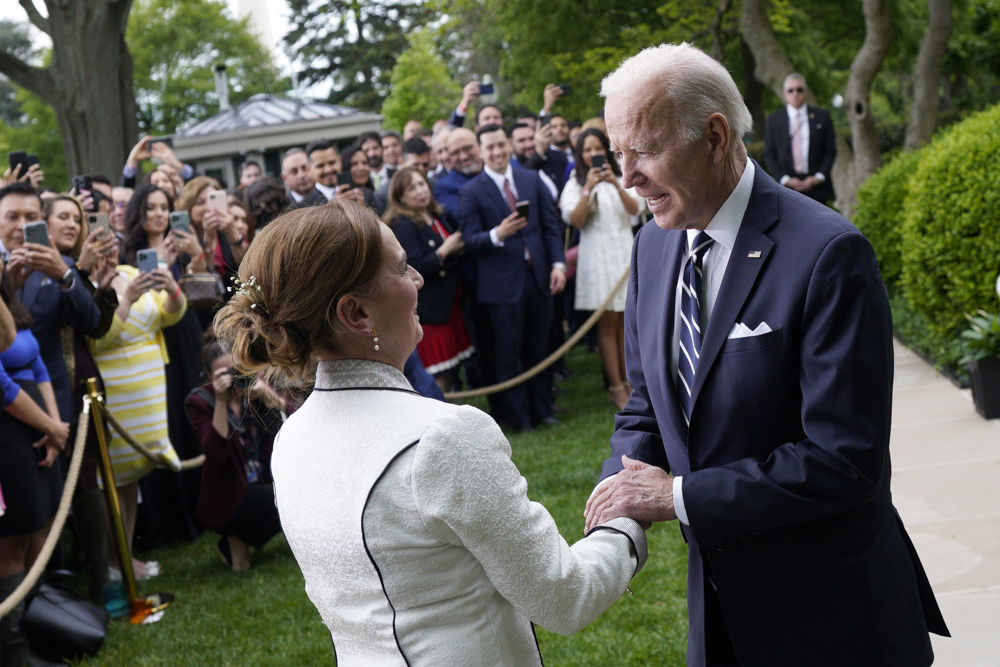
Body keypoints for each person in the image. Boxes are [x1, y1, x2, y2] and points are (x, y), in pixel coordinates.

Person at [583, 43, 948, 666]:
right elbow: (648, 405)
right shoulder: (653, 245)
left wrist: (676, 497)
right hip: (720, 615)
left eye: (644, 149)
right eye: (618, 153)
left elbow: (844, 461)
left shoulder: (828, 253)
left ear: (716, 136)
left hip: (834, 618)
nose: (628, 176)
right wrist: (616, 500)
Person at [213, 200, 646, 664]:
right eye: (401, 268)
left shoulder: (292, 438)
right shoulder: (441, 437)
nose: (419, 278)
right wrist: (629, 517)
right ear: (356, 313)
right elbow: (565, 597)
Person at [91, 220, 188, 579]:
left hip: (148, 389)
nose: (109, 251)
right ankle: (113, 562)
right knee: (109, 483)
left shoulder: (133, 270)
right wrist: (127, 298)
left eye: (112, 243)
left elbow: (168, 316)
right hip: (113, 391)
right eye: (99, 245)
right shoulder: (86, 284)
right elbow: (97, 339)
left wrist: (173, 289)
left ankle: (126, 553)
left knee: (130, 480)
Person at [457, 124, 566, 432]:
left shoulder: (530, 179)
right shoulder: (471, 191)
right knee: (507, 357)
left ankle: (543, 410)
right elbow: (468, 241)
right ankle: (519, 420)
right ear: (480, 151)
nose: (497, 152)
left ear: (509, 145)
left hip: (539, 278)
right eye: (489, 147)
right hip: (501, 289)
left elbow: (550, 227)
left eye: (501, 145)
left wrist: (558, 264)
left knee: (539, 350)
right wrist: (497, 234)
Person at [43, 194, 120, 601]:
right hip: (46, 392)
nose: (72, 224)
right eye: (63, 217)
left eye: (77, 218)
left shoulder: (74, 268)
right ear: (43, 223)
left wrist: (102, 287)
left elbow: (93, 325)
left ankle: (100, 579)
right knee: (57, 488)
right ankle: (59, 586)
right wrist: (80, 269)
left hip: (85, 387)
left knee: (90, 482)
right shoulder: (34, 271)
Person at [0, 268, 69, 667]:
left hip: (42, 428)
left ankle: (35, 632)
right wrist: (48, 426)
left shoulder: (10, 302)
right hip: (9, 433)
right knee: (15, 538)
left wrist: (56, 426)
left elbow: (40, 366)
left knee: (41, 531)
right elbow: (3, 386)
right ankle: (13, 649)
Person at [559, 129, 643, 410]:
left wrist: (615, 184)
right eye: (587, 149)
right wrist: (589, 189)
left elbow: (635, 210)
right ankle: (615, 386)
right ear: (580, 155)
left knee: (625, 321)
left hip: (623, 251)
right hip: (597, 256)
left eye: (598, 148)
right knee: (607, 324)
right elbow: (575, 219)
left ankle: (630, 382)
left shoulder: (621, 174)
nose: (593, 154)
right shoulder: (575, 183)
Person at [185, 336, 284, 571]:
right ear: (208, 377)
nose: (231, 378)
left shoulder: (252, 385)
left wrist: (266, 395)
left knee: (291, 497)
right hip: (230, 493)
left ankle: (238, 539)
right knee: (288, 497)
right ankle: (234, 534)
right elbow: (215, 451)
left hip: (261, 480)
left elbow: (290, 413)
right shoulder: (199, 402)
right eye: (221, 374)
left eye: (234, 370)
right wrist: (221, 402)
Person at [383, 167, 472, 393]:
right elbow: (416, 267)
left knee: (451, 369)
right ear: (400, 196)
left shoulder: (436, 214)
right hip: (429, 311)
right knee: (436, 374)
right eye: (412, 188)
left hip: (450, 305)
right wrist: (445, 250)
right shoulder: (402, 224)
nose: (420, 191)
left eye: (422, 184)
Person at [763, 73, 836, 205]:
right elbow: (769, 153)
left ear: (806, 92)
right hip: (786, 190)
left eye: (799, 89)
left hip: (817, 189)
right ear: (785, 94)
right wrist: (785, 179)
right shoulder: (774, 120)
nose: (795, 93)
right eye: (790, 90)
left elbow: (830, 150)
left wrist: (818, 178)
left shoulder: (822, 117)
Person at [433, 128, 483, 216]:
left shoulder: (499, 169)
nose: (463, 157)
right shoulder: (444, 187)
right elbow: (463, 216)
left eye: (467, 148)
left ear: (479, 146)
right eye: (455, 152)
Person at [374, 137, 431, 215]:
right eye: (415, 165)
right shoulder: (383, 195)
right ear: (401, 162)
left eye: (425, 165)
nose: (421, 169)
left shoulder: (434, 185)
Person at [337, 144, 377, 210]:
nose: (361, 168)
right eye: (354, 164)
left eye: (364, 163)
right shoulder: (338, 196)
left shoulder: (373, 194)